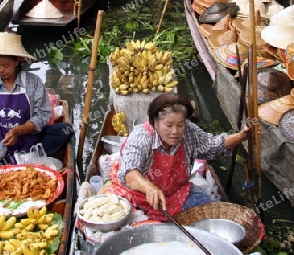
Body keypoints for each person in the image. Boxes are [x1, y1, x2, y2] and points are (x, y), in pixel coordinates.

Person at [104, 93, 250, 221]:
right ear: (155, 122)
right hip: (139, 195)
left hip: (174, 194)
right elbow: (129, 172)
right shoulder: (142, 136)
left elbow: (212, 146)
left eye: (180, 125)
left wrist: (241, 136)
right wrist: (149, 188)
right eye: (168, 125)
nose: (175, 131)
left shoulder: (189, 131)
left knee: (206, 207)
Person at [0, 32, 74, 169]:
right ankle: (22, 161)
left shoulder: (33, 82)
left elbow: (43, 115)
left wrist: (18, 131)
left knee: (65, 129)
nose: (1, 70)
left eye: (6, 65)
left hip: (28, 139)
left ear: (17, 61)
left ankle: (22, 159)